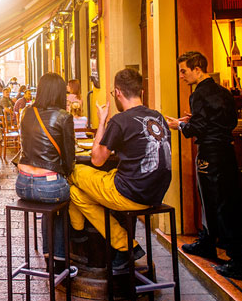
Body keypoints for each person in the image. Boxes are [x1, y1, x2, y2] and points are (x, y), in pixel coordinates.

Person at [69, 68, 172, 270]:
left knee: (73, 173)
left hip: (129, 194)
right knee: (76, 193)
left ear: (117, 93)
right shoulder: (158, 117)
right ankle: (123, 245)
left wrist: (102, 122)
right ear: (141, 92)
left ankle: (81, 237)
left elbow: (97, 160)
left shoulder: (120, 120)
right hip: (155, 195)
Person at [166, 51, 242, 279]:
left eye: (184, 71)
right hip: (227, 151)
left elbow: (200, 127)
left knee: (213, 202)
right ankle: (208, 242)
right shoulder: (223, 93)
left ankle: (238, 260)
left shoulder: (198, 94)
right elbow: (228, 121)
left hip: (209, 154)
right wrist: (194, 120)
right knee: (227, 201)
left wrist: (181, 126)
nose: (181, 76)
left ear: (198, 69)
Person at [17, 73, 75, 273]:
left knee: (49, 203)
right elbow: (69, 160)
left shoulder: (25, 112)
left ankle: (49, 255)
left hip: (23, 184)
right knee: (64, 199)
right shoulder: (63, 117)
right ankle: (61, 262)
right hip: (48, 185)